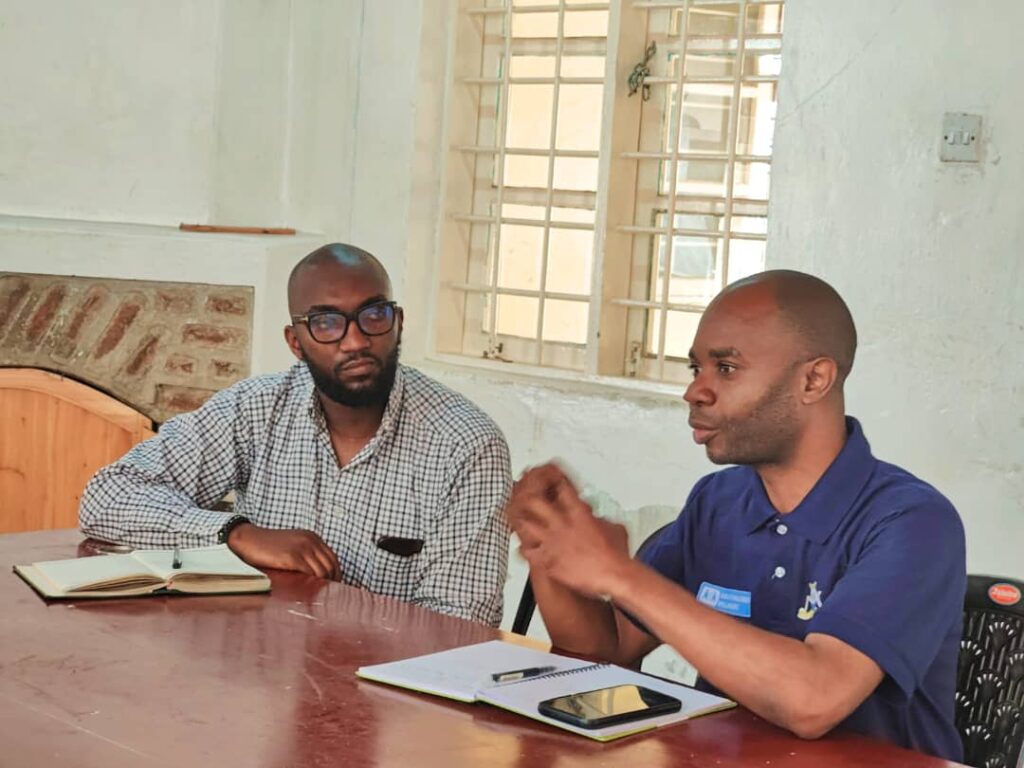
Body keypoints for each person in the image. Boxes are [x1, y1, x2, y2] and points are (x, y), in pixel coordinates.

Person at [506, 270, 966, 760]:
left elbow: (815, 700)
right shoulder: (718, 501)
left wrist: (619, 575)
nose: (695, 391)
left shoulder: (912, 521)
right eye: (696, 368)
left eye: (725, 368)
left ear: (814, 380)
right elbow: (608, 649)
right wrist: (548, 543)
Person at [80, 243, 512, 626]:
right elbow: (107, 496)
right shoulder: (257, 409)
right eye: (326, 323)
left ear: (397, 322)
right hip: (261, 671)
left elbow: (460, 628)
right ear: (295, 342)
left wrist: (337, 631)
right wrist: (238, 535)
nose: (355, 341)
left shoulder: (466, 446)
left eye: (373, 315)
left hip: (382, 683)